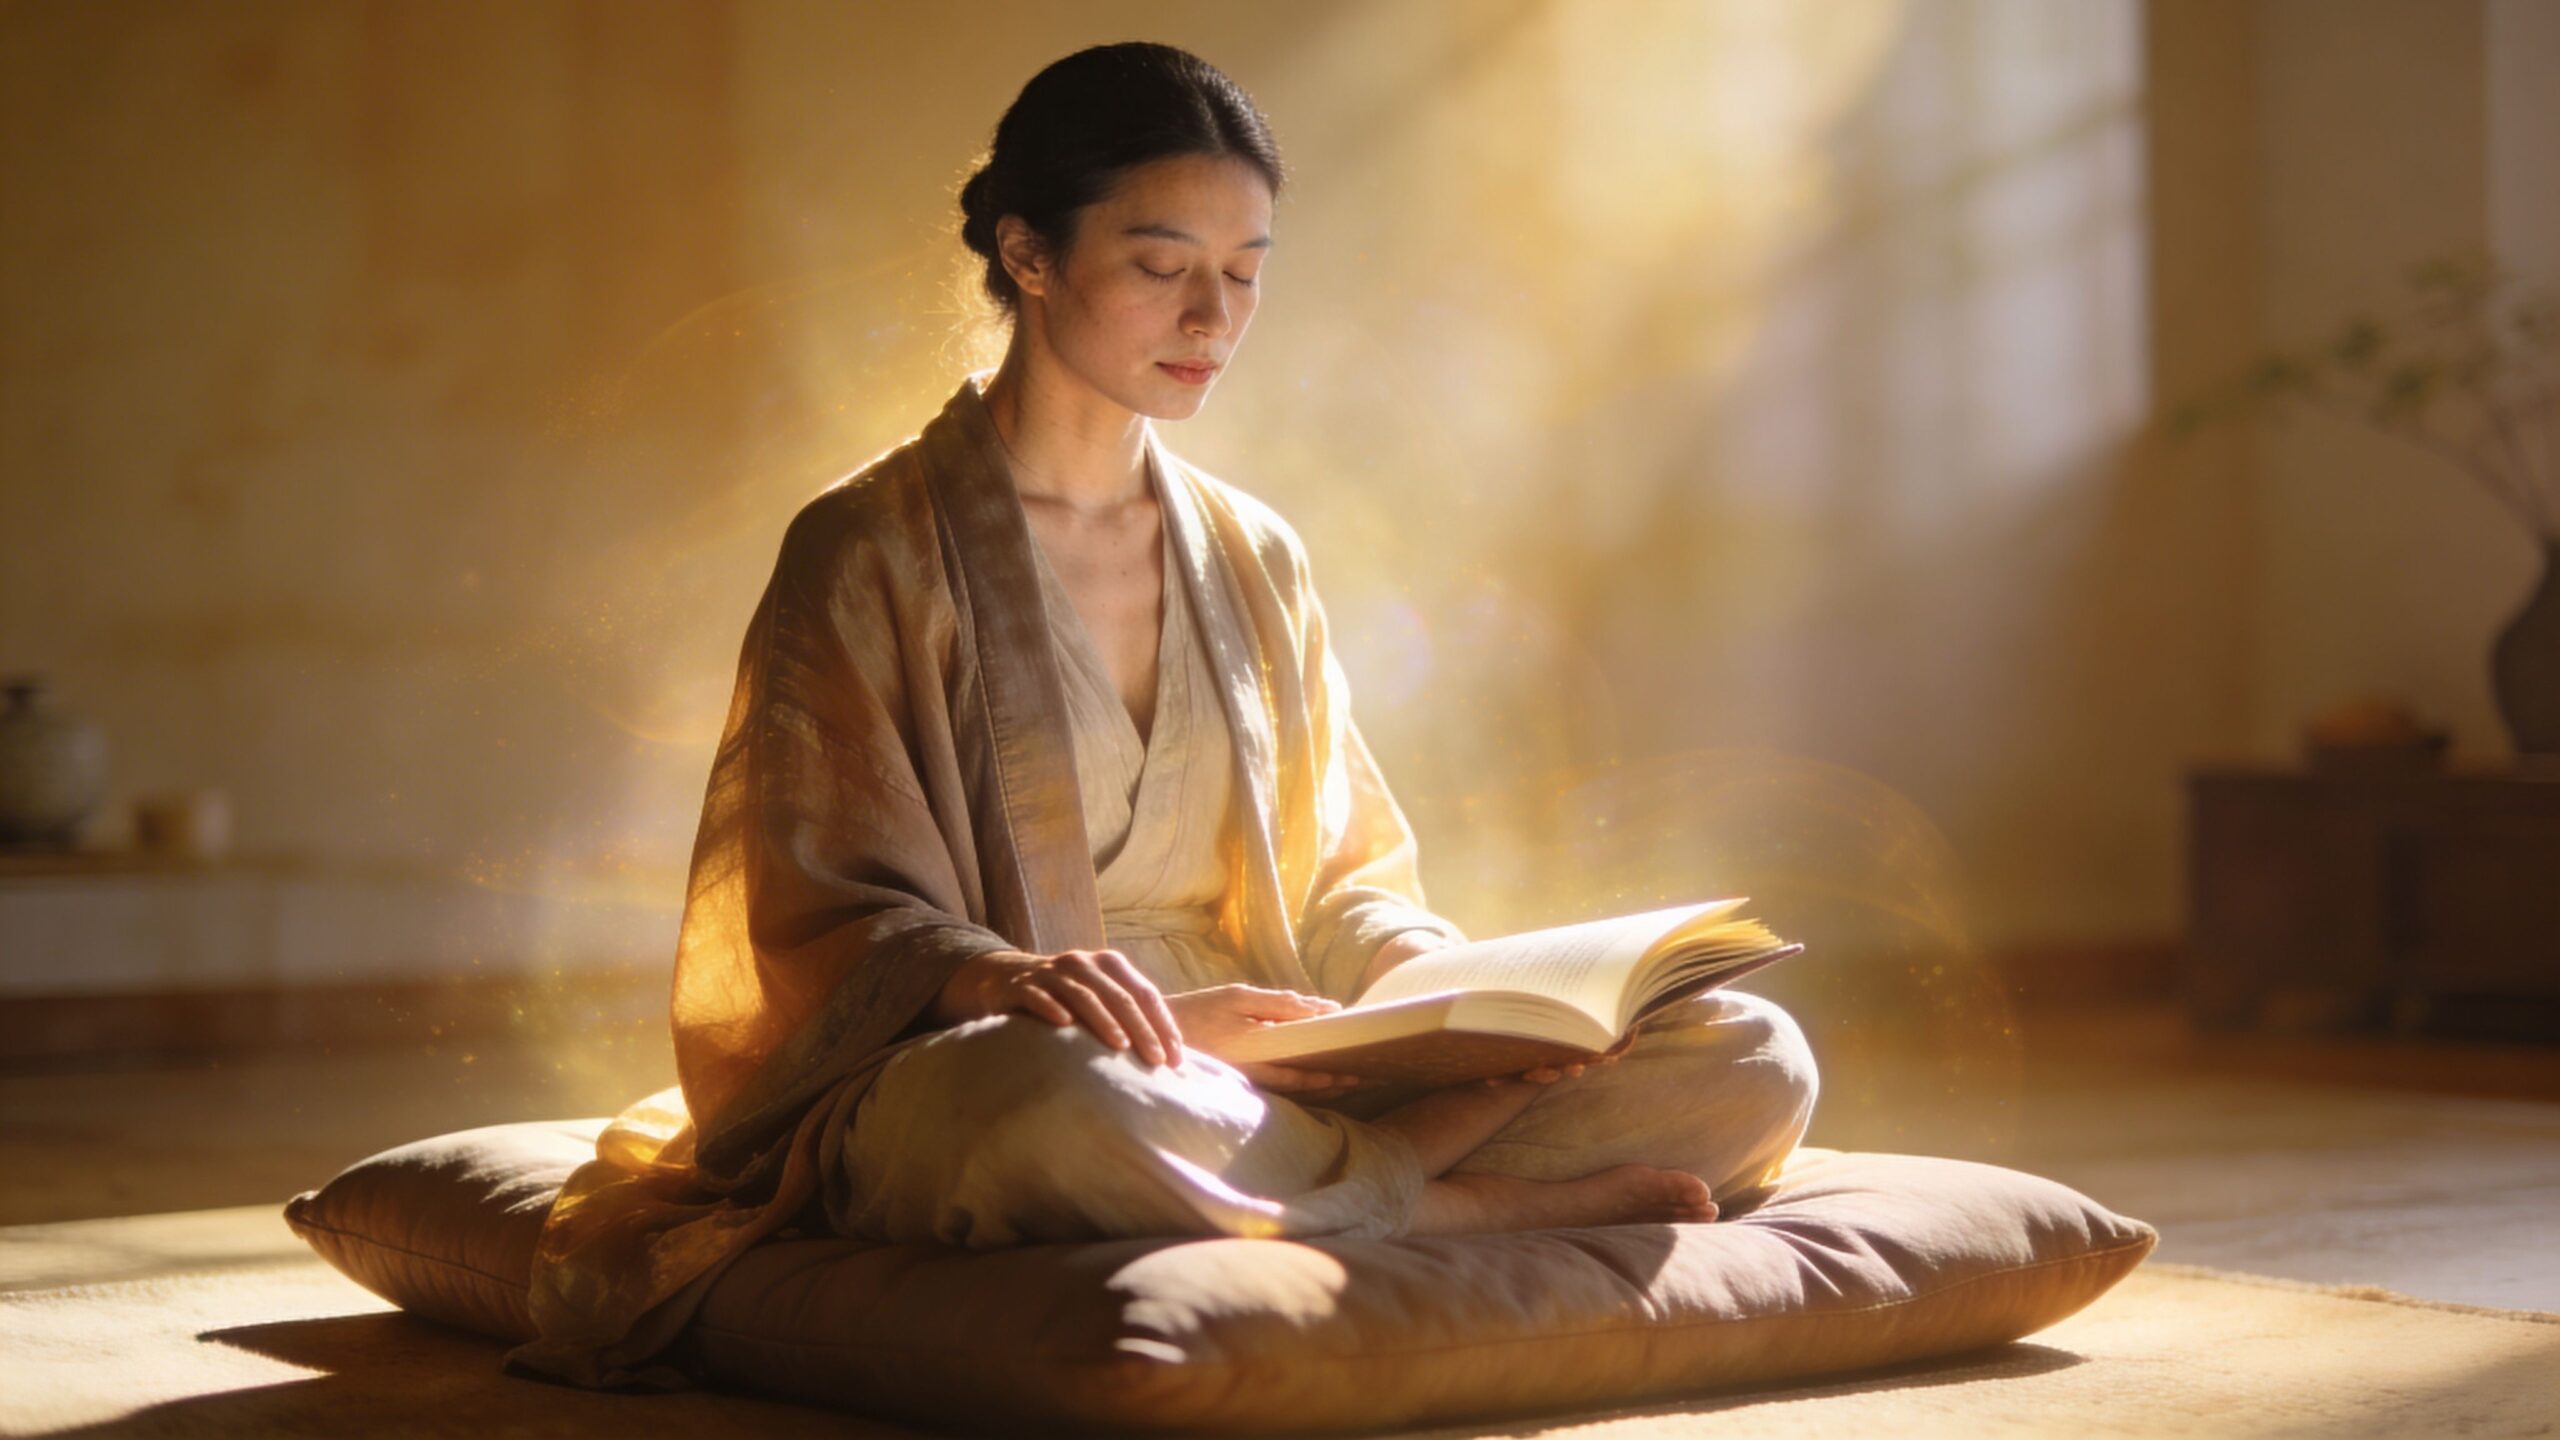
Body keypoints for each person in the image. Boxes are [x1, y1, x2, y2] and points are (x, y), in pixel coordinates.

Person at [510, 41, 1817, 1389]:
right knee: (1039, 1117)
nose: (1214, 317)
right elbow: (817, 919)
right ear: (1029, 254)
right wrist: (1015, 983)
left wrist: (1443, 996)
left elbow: (1349, 876)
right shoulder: (865, 549)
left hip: (1279, 1060)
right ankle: (1443, 1200)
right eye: (1162, 266)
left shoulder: (1257, 555)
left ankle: (1342, 1175)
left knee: (1751, 1056)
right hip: (1046, 1060)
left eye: (1245, 272)